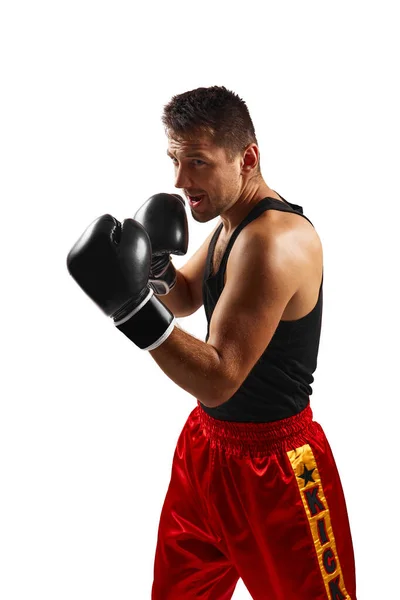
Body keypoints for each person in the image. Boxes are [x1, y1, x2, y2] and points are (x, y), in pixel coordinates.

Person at [67, 86, 356, 599]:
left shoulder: (274, 241)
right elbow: (185, 297)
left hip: (279, 472)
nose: (180, 182)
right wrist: (156, 271)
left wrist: (131, 309)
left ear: (247, 158)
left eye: (197, 162)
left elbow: (220, 378)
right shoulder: (231, 223)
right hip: (206, 450)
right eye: (175, 161)